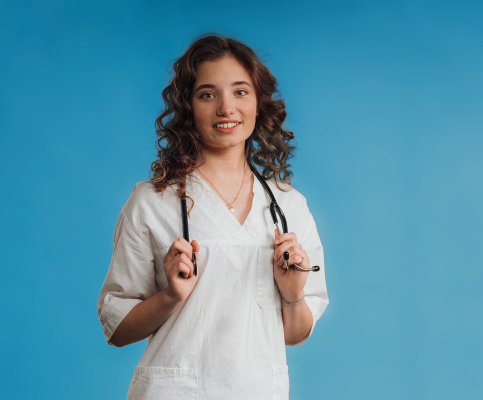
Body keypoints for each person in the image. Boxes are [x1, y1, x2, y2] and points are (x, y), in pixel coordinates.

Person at [98, 34, 329, 399]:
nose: (226, 108)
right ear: (189, 107)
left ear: (258, 103)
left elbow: (294, 334)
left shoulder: (289, 207)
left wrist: (292, 295)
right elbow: (117, 330)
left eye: (240, 92)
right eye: (208, 94)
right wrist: (171, 296)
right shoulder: (151, 201)